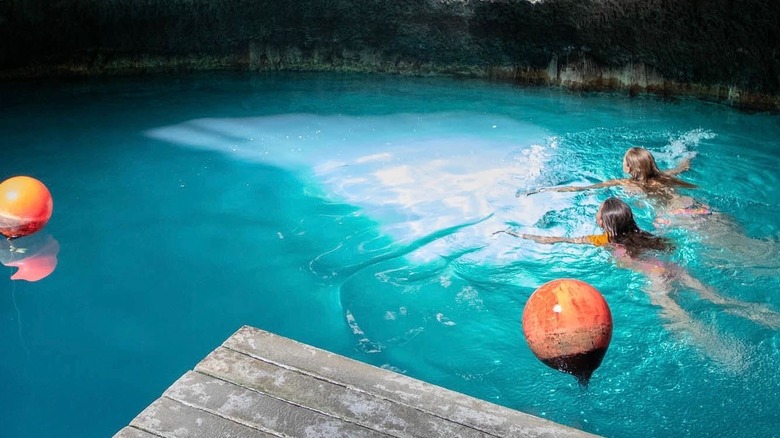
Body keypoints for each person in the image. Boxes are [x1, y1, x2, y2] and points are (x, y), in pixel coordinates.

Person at [494, 197, 780, 332]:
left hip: (656, 277)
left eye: (598, 214)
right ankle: (768, 318)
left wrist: (518, 234)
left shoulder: (603, 240)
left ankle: (706, 339)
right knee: (720, 299)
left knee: (679, 317)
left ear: (606, 223)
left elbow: (557, 241)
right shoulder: (643, 235)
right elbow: (672, 245)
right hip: (674, 269)